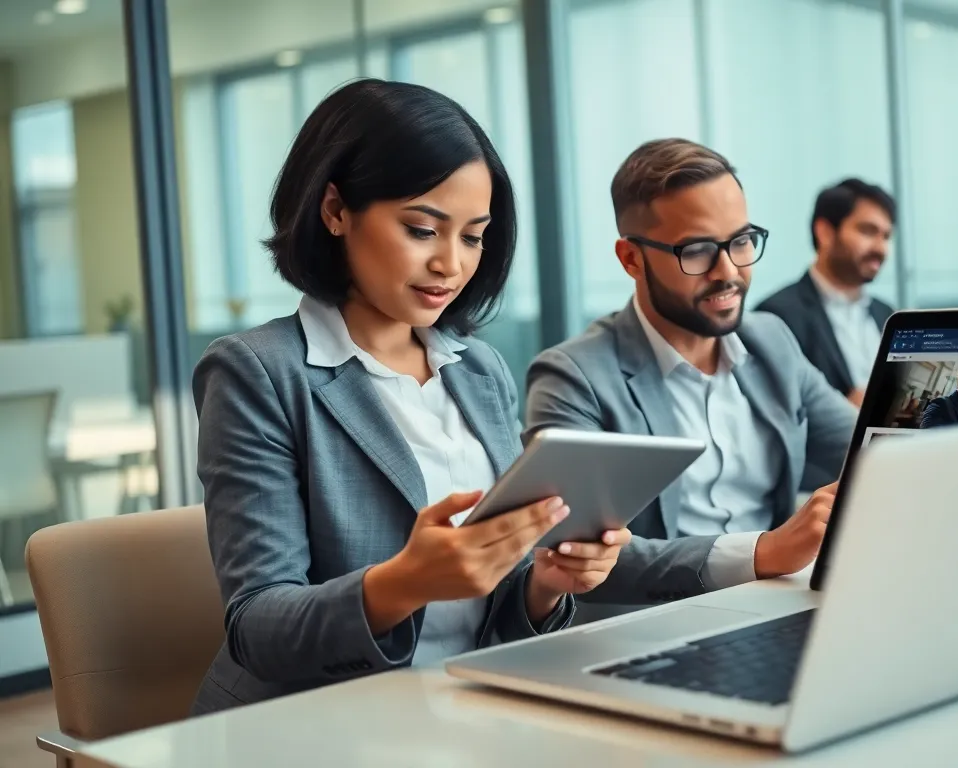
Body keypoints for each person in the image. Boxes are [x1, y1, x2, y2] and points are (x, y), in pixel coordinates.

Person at [190, 79, 629, 714]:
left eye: (473, 236)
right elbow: (258, 627)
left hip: (471, 705)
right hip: (318, 722)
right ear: (336, 209)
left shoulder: (479, 368)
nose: (451, 263)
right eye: (423, 229)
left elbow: (488, 611)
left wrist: (544, 586)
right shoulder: (257, 372)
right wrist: (403, 583)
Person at [525, 138, 857, 610]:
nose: (729, 272)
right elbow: (580, 555)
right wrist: (764, 551)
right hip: (649, 627)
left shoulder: (771, 342)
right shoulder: (574, 376)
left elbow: (867, 453)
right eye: (698, 251)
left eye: (741, 241)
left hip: (780, 605)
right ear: (632, 260)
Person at [757, 179, 896, 408]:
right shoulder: (776, 317)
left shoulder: (887, 314)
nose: (881, 248)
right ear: (825, 232)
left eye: (886, 236)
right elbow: (774, 413)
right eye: (868, 231)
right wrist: (843, 411)